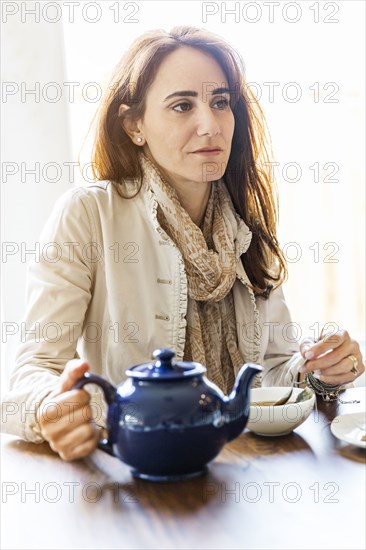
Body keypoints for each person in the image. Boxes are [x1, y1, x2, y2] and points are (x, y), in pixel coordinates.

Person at [1, 26, 364, 461]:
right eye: (182, 105)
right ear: (134, 124)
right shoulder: (88, 214)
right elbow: (30, 373)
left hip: (240, 475)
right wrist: (49, 407)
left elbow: (271, 375)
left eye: (220, 102)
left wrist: (321, 371)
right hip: (135, 474)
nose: (209, 125)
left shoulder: (245, 220)